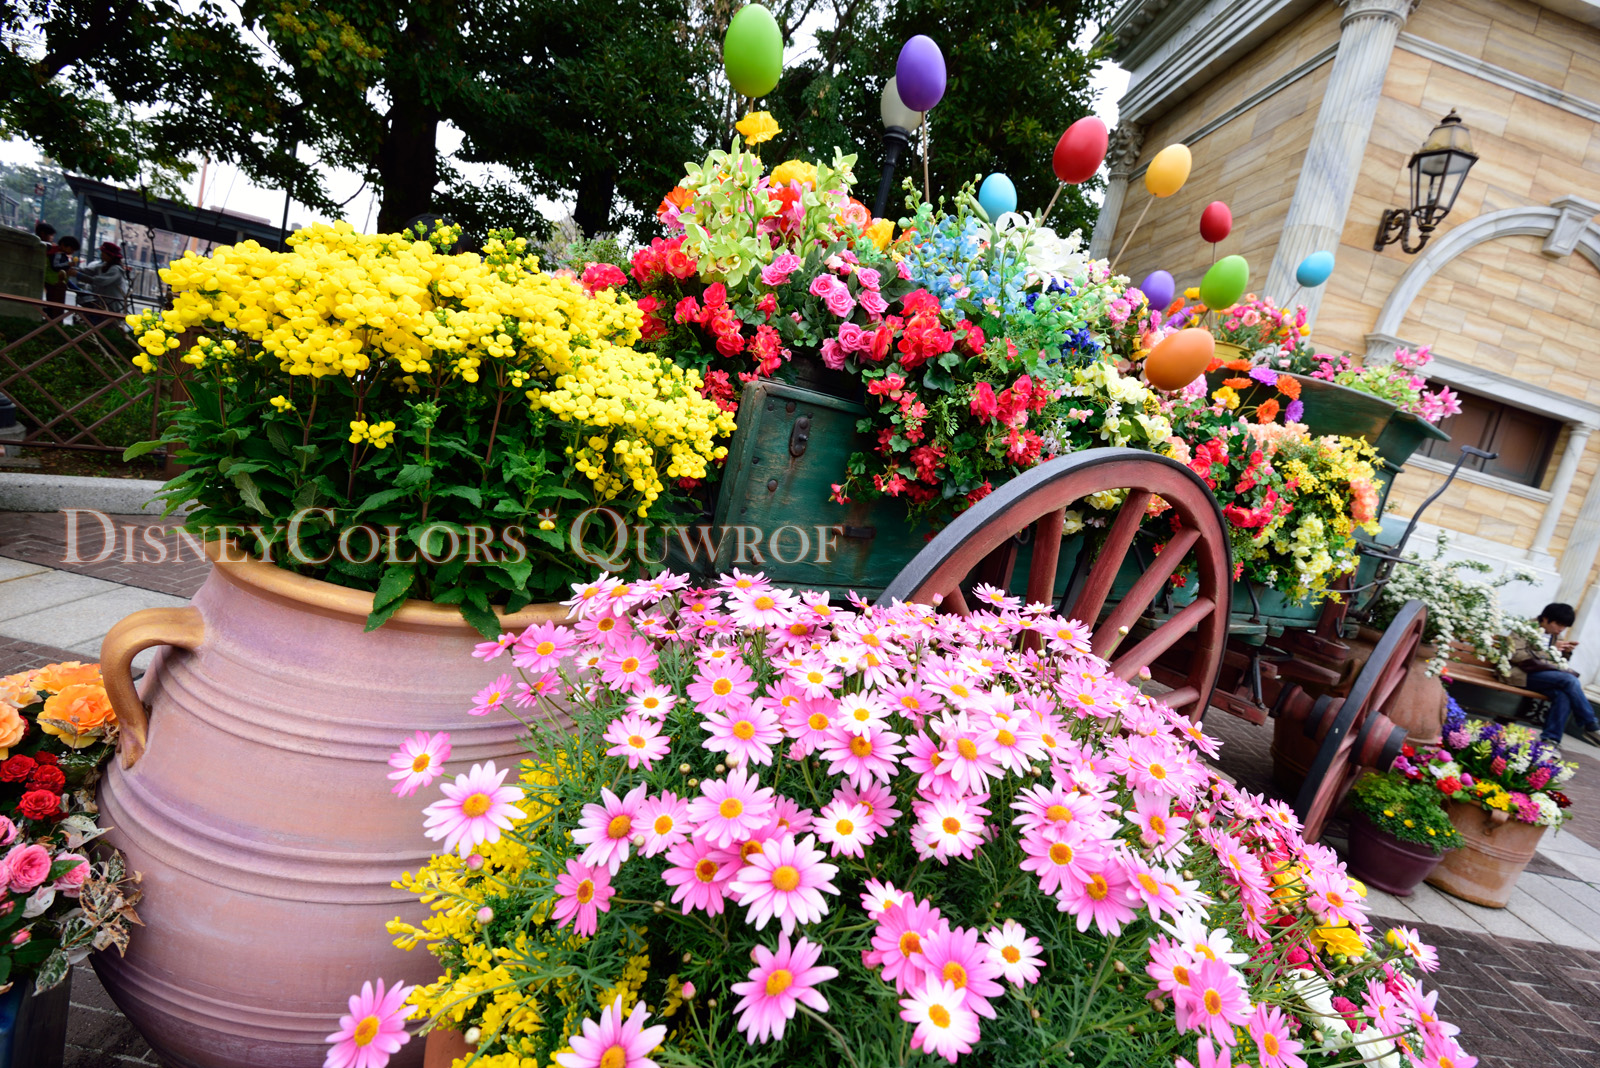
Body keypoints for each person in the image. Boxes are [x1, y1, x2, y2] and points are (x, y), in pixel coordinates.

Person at [1506, 602, 1600, 748]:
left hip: (1543, 677)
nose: (1561, 629)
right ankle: (1591, 725)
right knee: (1569, 680)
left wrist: (1565, 652)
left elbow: (1556, 661)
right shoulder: (1524, 629)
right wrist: (1549, 651)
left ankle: (1551, 741)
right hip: (1520, 674)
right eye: (1559, 624)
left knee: (1563, 694)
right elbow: (1515, 654)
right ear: (1545, 619)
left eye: (1564, 627)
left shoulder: (1554, 635)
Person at [76, 241, 131, 311]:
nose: (101, 254)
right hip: (103, 303)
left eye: (103, 252)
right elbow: (89, 271)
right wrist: (76, 270)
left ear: (109, 255)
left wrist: (78, 275)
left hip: (113, 306)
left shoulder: (116, 269)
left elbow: (100, 281)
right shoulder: (103, 265)